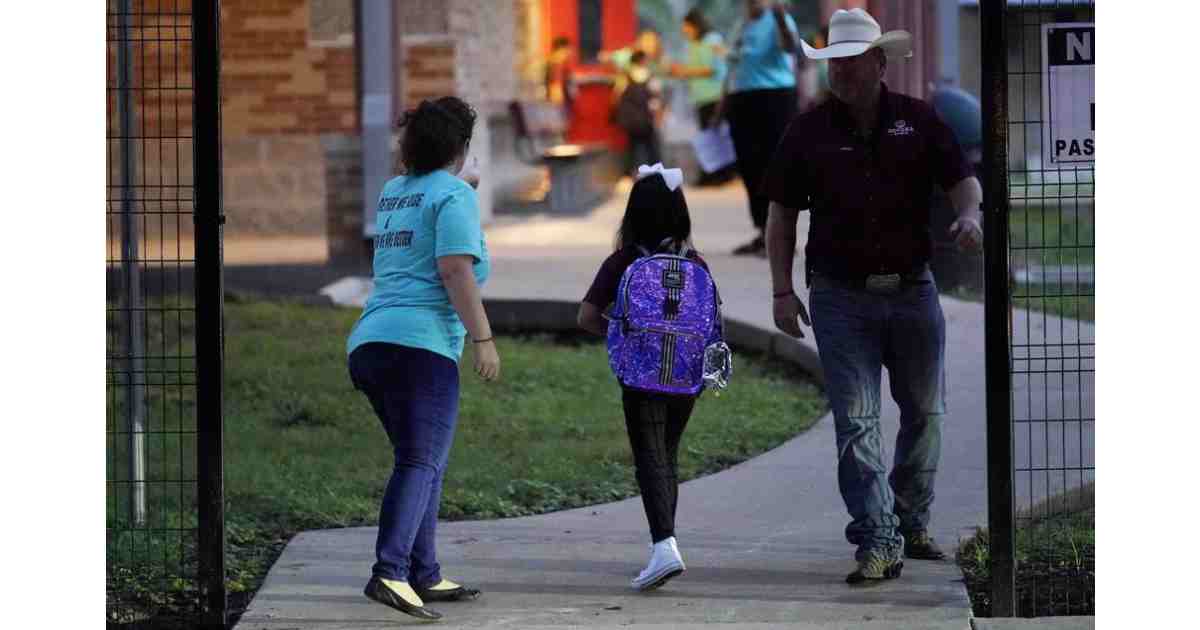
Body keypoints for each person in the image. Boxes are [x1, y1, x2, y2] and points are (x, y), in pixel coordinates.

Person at [760, 9, 984, 585]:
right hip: (839, 298)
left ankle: (911, 522)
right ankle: (878, 538)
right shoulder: (807, 130)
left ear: (880, 63)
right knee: (857, 424)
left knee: (925, 415)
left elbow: (963, 179)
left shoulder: (919, 120)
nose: (843, 73)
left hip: (913, 292)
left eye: (854, 61)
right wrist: (782, 290)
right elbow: (781, 216)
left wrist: (968, 215)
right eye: (835, 62)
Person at [346, 96, 498, 620]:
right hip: (421, 348)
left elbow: (427, 223)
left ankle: (424, 572)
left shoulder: (395, 192)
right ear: (460, 149)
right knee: (420, 460)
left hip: (371, 344)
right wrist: (483, 338)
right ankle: (390, 572)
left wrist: (462, 188)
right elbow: (455, 271)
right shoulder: (453, 194)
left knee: (423, 460)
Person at [576, 164, 712, 592]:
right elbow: (711, 321)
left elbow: (586, 317)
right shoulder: (696, 262)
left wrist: (622, 336)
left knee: (650, 458)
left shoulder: (623, 261)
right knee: (666, 455)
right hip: (686, 377)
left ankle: (664, 545)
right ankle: (665, 541)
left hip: (640, 376)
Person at [718, 0, 800, 257]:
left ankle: (782, 237)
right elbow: (732, 66)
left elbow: (790, 47)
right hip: (742, 99)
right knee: (749, 167)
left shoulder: (778, 19)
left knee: (773, 167)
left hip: (774, 98)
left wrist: (778, 18)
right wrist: (722, 106)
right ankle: (762, 231)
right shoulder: (741, 25)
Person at [668, 8, 733, 185]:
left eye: (687, 27)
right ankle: (712, 173)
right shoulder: (693, 44)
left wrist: (684, 71)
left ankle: (721, 175)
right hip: (701, 97)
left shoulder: (712, 40)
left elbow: (711, 68)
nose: (684, 31)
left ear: (695, 25)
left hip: (715, 95)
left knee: (717, 136)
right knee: (708, 137)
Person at [615, 50, 665, 171]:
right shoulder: (650, 75)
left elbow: (617, 96)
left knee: (630, 148)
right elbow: (656, 96)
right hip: (646, 118)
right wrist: (659, 115)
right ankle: (657, 173)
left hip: (630, 119)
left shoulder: (624, 76)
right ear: (643, 61)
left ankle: (627, 175)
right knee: (652, 148)